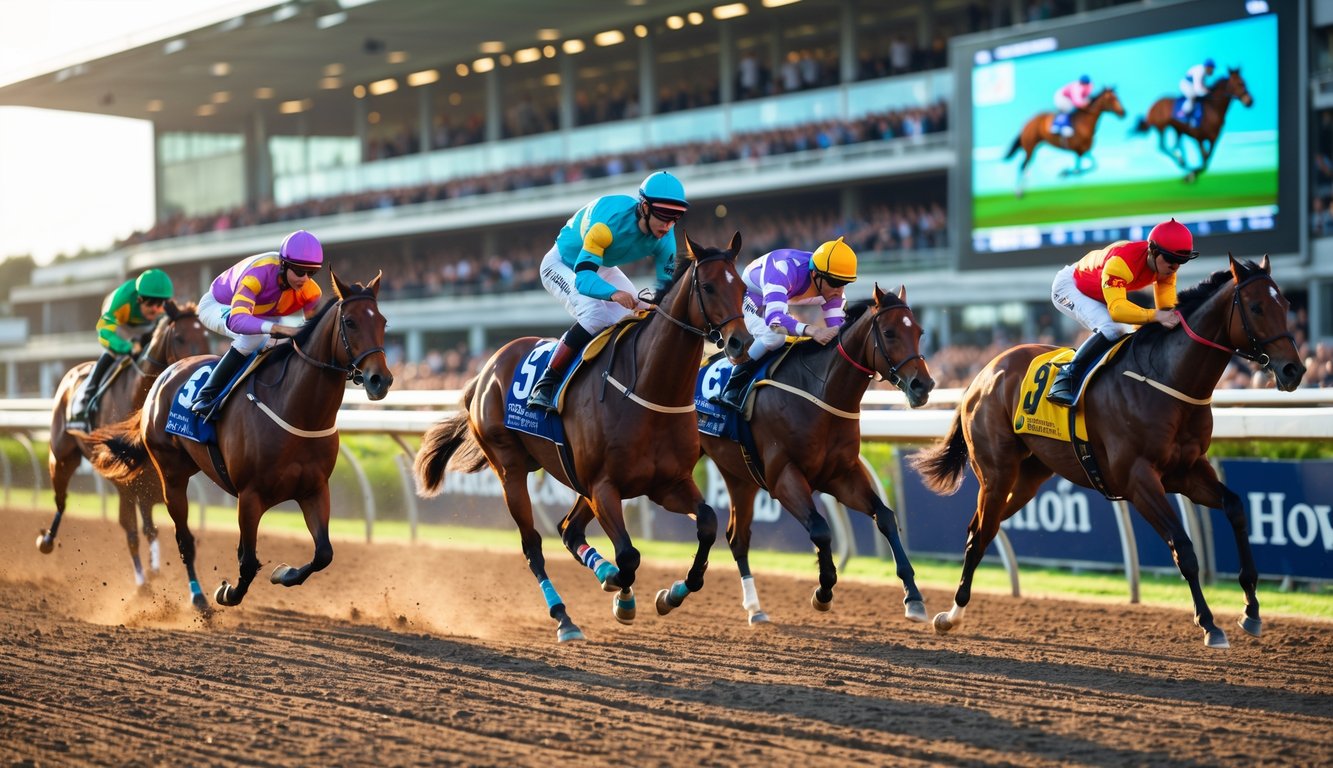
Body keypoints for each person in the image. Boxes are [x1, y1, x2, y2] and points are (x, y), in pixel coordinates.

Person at [526, 171, 688, 412]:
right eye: (664, 216)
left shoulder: (666, 234)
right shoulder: (607, 225)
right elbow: (583, 279)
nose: (668, 225)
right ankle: (546, 382)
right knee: (595, 315)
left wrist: (656, 303)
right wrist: (613, 294)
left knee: (638, 314)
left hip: (600, 264)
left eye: (676, 217)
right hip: (562, 264)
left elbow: (666, 287)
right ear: (645, 207)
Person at [1046, 218, 1196, 407]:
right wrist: (1156, 315)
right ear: (1153, 250)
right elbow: (1117, 311)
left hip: (1098, 290)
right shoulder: (1122, 261)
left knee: (1130, 331)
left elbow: (1167, 311)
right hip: (1071, 287)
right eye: (1170, 259)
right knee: (1113, 328)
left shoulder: (1165, 268)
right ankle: (1066, 377)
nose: (1175, 267)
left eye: (1181, 261)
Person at [190, 230, 325, 418]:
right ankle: (206, 396)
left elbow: (313, 337)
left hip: (257, 314)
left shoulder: (311, 292)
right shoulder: (258, 273)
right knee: (255, 337)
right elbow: (238, 321)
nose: (305, 279)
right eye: (300, 271)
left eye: (312, 272)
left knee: (284, 342)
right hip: (219, 305)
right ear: (283, 264)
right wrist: (278, 328)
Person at [713, 236, 857, 412]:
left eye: (844, 283)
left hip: (778, 295)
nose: (839, 290)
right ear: (815, 274)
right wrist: (812, 330)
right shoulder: (784, 269)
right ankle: (733, 383)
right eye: (834, 283)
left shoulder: (833, 289)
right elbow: (774, 320)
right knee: (774, 337)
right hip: (752, 292)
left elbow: (839, 334)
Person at [68, 268, 174, 429]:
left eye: (160, 304)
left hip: (147, 327)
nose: (155, 309)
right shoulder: (122, 301)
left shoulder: (164, 307)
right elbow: (104, 332)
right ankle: (86, 398)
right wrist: (126, 347)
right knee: (112, 354)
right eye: (151, 303)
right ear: (139, 299)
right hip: (120, 325)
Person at [1178, 58, 1215, 126]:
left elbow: (1202, 85)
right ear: (1208, 67)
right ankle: (1184, 113)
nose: (1213, 71)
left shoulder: (1204, 72)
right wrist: (1207, 92)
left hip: (1191, 85)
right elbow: (1198, 88)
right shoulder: (1200, 71)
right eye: (1212, 69)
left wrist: (1207, 90)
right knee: (1192, 96)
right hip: (1186, 85)